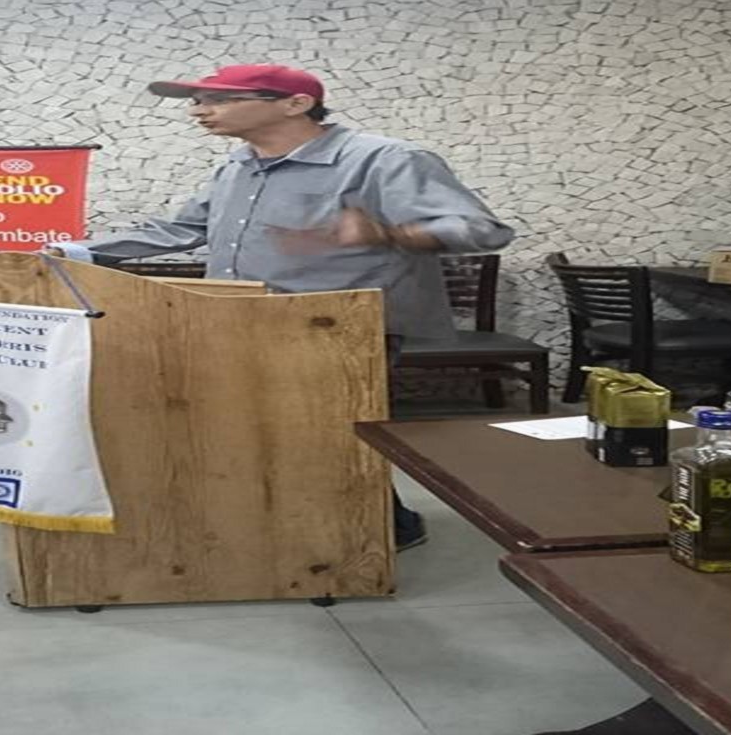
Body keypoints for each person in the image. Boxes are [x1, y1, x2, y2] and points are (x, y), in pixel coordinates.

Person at [52, 64, 515, 548]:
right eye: (197, 101)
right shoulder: (238, 166)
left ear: (296, 104)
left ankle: (379, 529)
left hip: (338, 327)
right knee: (274, 430)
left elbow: (483, 230)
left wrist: (388, 233)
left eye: (220, 99)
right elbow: (184, 229)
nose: (200, 111)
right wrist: (75, 252)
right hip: (238, 320)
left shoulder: (383, 159)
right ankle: (301, 523)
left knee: (327, 430)